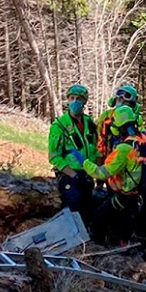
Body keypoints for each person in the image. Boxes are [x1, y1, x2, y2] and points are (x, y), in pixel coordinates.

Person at [79, 104, 146, 248]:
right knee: (124, 225)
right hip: (141, 195)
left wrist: (84, 162)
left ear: (117, 127)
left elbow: (102, 173)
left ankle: (97, 248)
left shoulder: (124, 149)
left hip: (127, 196)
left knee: (99, 216)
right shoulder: (144, 142)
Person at [48, 84, 99, 218]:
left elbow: (95, 148)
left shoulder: (89, 123)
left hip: (88, 173)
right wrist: (73, 175)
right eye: (72, 98)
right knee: (74, 202)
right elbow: (54, 156)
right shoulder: (59, 125)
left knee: (88, 207)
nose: (75, 101)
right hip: (68, 174)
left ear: (85, 102)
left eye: (79, 98)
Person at [97, 84, 143, 160]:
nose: (121, 103)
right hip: (110, 154)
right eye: (119, 100)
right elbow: (99, 135)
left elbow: (142, 137)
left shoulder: (137, 118)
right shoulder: (106, 116)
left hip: (130, 155)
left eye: (125, 102)